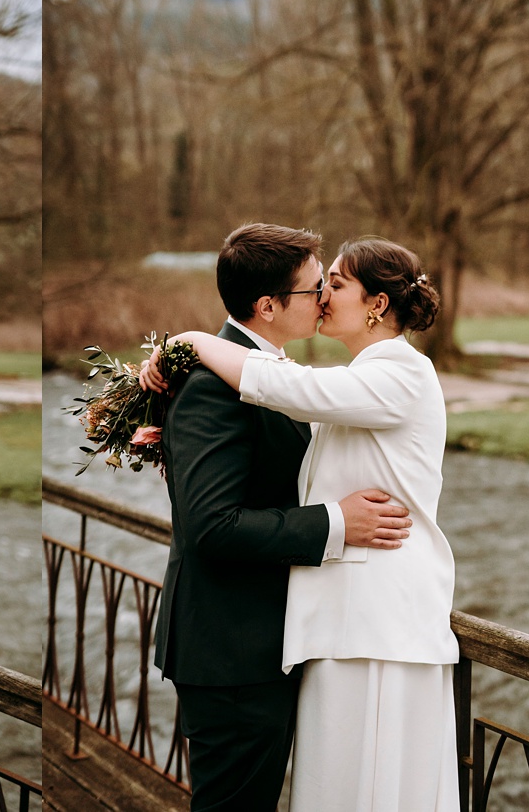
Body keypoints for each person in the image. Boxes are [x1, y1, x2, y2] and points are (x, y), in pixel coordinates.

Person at [142, 235, 460, 811]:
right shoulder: (236, 385)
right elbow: (215, 519)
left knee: (372, 783)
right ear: (267, 305)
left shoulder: (391, 376)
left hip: (374, 622)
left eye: (333, 284)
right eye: (319, 285)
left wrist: (187, 343)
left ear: (377, 305)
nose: (321, 297)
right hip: (253, 641)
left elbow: (293, 393)